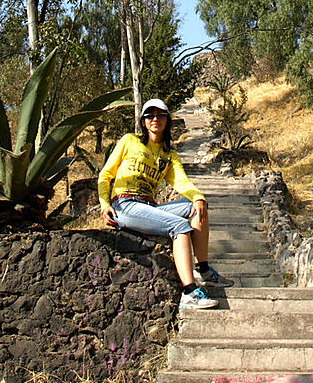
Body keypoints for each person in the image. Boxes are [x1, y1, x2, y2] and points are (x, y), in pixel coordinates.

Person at [98, 98, 234, 309]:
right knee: (179, 227)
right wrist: (104, 204)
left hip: (148, 206)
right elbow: (106, 174)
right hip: (124, 205)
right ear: (143, 122)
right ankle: (189, 292)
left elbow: (182, 182)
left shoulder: (168, 155)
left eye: (160, 115)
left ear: (167, 121)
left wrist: (198, 196)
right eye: (150, 115)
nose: (155, 119)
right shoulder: (129, 141)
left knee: (197, 206)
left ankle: (203, 269)